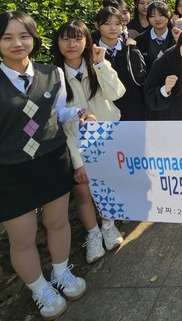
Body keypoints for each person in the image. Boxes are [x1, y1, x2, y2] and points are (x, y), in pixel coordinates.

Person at [0, 12, 91, 320]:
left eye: (24, 36)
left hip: (52, 159)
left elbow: (57, 113)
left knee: (58, 222)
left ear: (34, 40)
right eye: (7, 37)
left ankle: (61, 272)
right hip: (9, 170)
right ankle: (39, 289)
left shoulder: (52, 73)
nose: (17, 43)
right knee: (22, 237)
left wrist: (79, 113)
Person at [52, 20, 126, 264]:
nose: (71, 44)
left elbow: (117, 93)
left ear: (87, 42)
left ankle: (108, 225)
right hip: (75, 143)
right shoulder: (54, 77)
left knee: (108, 184)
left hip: (107, 135)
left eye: (77, 38)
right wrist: (77, 162)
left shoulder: (97, 66)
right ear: (57, 43)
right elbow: (61, 123)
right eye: (65, 39)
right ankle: (93, 234)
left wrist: (101, 64)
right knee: (83, 191)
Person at [94, 6, 147, 121]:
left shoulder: (131, 49)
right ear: (97, 26)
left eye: (117, 24)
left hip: (132, 113)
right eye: (107, 24)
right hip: (102, 116)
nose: (113, 28)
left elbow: (139, 81)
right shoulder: (92, 53)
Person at [135, 1, 173, 72]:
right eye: (152, 16)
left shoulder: (177, 37)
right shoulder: (140, 39)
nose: (157, 19)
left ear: (168, 15)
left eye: (161, 15)